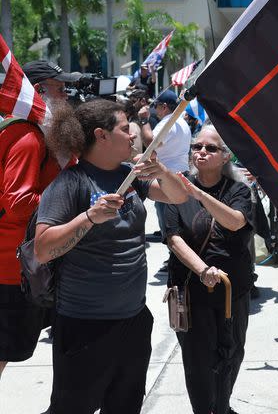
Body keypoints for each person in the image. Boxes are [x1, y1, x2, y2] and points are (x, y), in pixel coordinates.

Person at [34, 98, 187, 413]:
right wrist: (88, 218)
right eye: (123, 128)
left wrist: (160, 170)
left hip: (133, 321)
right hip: (84, 326)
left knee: (125, 406)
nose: (132, 134)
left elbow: (177, 196)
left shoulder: (130, 176)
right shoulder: (71, 183)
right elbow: (43, 248)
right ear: (101, 136)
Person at [165, 125, 253, 413]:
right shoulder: (177, 189)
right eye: (197, 146)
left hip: (231, 293)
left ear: (225, 156)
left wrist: (200, 195)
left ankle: (223, 406)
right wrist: (203, 270)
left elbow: (235, 221)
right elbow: (174, 238)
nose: (201, 152)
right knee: (198, 360)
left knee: (232, 353)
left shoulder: (238, 190)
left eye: (210, 148)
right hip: (192, 292)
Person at [0, 60, 79, 380]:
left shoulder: (41, 135)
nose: (66, 94)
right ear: (37, 92)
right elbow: (18, 204)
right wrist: (68, 209)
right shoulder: (27, 135)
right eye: (60, 88)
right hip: (10, 269)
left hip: (25, 265)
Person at [139, 90, 191, 241]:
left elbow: (151, 143)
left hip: (168, 179)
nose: (155, 109)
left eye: (156, 106)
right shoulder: (181, 121)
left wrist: (143, 120)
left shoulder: (168, 122)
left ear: (164, 106)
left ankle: (174, 259)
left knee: (170, 228)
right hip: (179, 175)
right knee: (178, 224)